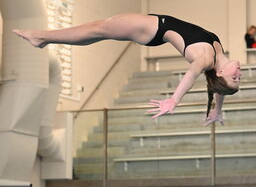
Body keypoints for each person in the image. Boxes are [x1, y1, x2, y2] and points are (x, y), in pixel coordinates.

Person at [13, 13, 241, 125]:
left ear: (221, 73)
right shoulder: (217, 56)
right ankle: (44, 39)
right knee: (96, 32)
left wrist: (174, 100)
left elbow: (191, 75)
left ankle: (40, 37)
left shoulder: (204, 58)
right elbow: (219, 89)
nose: (238, 74)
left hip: (151, 29)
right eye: (238, 78)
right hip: (153, 28)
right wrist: (217, 110)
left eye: (235, 78)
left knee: (96, 29)